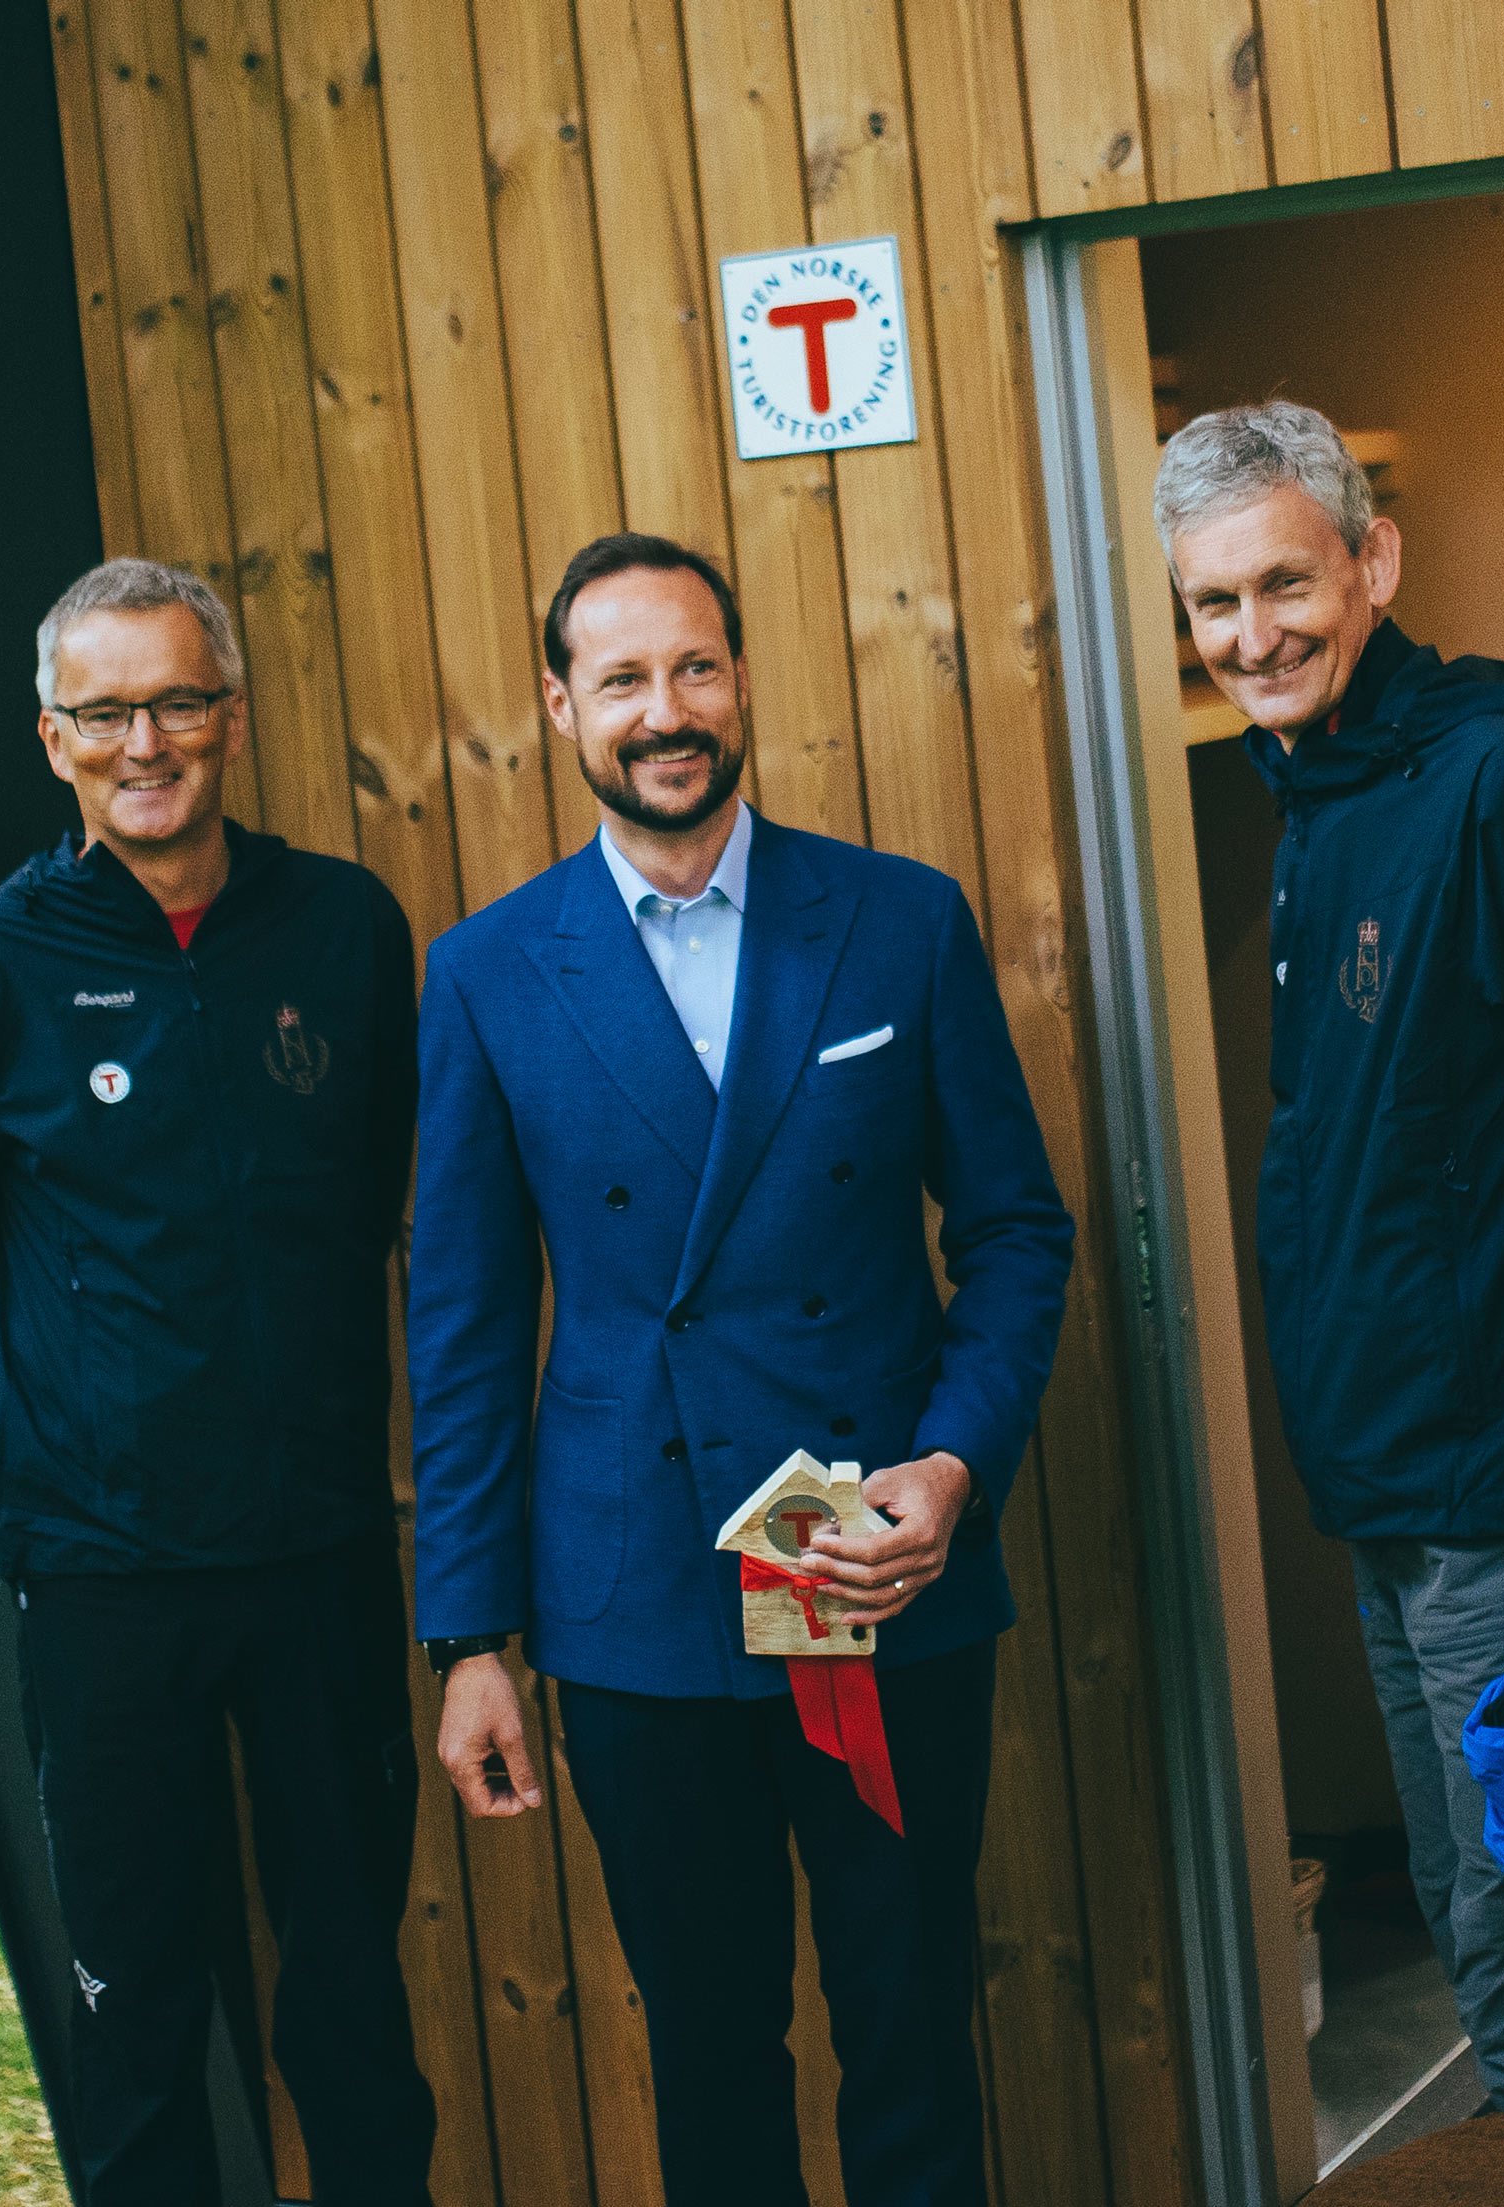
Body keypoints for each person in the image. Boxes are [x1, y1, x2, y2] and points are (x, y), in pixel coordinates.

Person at [407, 532, 1073, 2207]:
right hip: (638, 1593)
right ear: (561, 706)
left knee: (911, 2016)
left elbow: (1014, 1236)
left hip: (882, 1569)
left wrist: (952, 1468)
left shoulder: (899, 923)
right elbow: (471, 1330)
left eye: (694, 667)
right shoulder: (490, 971)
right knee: (708, 2043)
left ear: (745, 677)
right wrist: (470, 1638)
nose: (666, 710)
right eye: (622, 679)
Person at [1154, 401, 1504, 2205]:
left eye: (1285, 585)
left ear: (1371, 565)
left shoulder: (1498, 783)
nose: (1253, 638)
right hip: (1400, 1515)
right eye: (1214, 606)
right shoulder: (1316, 802)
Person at [0, 559, 435, 2203]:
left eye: (180, 702)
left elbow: (378, 1201)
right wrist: (105, 1416)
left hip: (319, 1552)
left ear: (234, 718)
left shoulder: (342, 930)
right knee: (137, 2016)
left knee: (351, 2004)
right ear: (53, 739)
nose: (149, 743)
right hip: (105, 1574)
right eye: (107, 712)